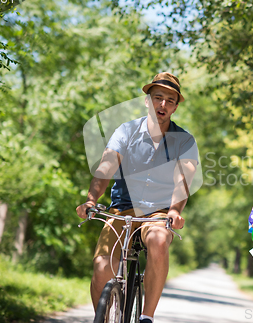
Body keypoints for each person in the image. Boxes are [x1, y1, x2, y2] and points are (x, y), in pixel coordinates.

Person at [76, 72, 198, 323]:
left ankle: (146, 317)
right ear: (147, 100)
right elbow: (106, 167)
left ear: (175, 106)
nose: (162, 105)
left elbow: (183, 179)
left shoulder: (185, 140)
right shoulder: (126, 131)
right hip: (121, 209)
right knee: (101, 269)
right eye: (157, 97)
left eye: (169, 100)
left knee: (159, 240)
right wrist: (91, 198)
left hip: (158, 212)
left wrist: (175, 210)